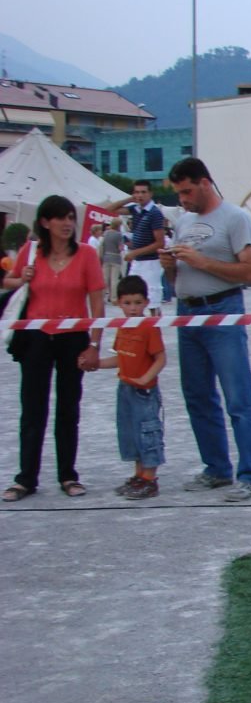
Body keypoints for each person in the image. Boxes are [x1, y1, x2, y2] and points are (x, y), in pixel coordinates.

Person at [159, 157, 251, 501]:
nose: (183, 200)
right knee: (197, 396)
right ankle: (216, 469)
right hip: (187, 313)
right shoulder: (183, 222)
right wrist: (169, 267)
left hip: (222, 311)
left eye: (187, 191)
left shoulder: (236, 218)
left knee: (238, 397)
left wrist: (201, 261)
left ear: (205, 183)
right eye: (178, 193)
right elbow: (177, 279)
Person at [2, 195, 105, 501]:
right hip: (36, 337)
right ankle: (26, 478)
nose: (68, 223)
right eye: (61, 217)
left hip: (73, 338)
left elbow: (97, 304)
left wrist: (94, 344)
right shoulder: (30, 251)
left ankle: (68, 475)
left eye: (71, 217)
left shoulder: (86, 254)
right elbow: (7, 282)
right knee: (32, 409)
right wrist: (22, 278)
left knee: (68, 408)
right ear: (45, 222)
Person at [97, 275, 166, 500]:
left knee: (148, 433)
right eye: (127, 303)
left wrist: (146, 378)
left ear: (146, 302)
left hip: (144, 391)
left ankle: (150, 478)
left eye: (138, 302)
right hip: (125, 387)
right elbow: (120, 357)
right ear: (119, 303)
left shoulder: (149, 327)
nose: (133, 308)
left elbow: (160, 358)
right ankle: (139, 474)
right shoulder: (123, 327)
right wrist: (97, 364)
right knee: (131, 433)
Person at [109, 180, 165, 315]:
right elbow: (109, 209)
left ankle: (155, 325)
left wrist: (135, 253)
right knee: (131, 293)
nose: (140, 195)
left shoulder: (155, 213)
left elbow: (160, 243)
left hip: (150, 262)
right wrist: (129, 199)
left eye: (143, 192)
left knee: (152, 300)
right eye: (137, 192)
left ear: (150, 193)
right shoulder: (135, 209)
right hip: (137, 261)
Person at [100, 219, 125, 303]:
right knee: (114, 279)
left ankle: (102, 297)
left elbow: (102, 245)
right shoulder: (119, 235)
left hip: (106, 257)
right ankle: (113, 298)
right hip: (115, 258)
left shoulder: (106, 233)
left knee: (105, 279)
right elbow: (120, 248)